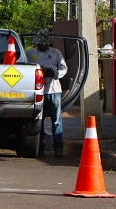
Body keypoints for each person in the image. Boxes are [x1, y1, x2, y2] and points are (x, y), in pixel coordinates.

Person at [26, 29, 68, 157]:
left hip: (54, 90)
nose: (42, 46)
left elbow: (64, 68)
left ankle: (58, 148)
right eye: (40, 44)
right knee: (39, 120)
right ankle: (40, 147)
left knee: (56, 121)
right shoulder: (30, 53)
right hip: (38, 92)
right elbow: (25, 69)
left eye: (45, 44)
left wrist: (54, 73)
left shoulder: (56, 53)